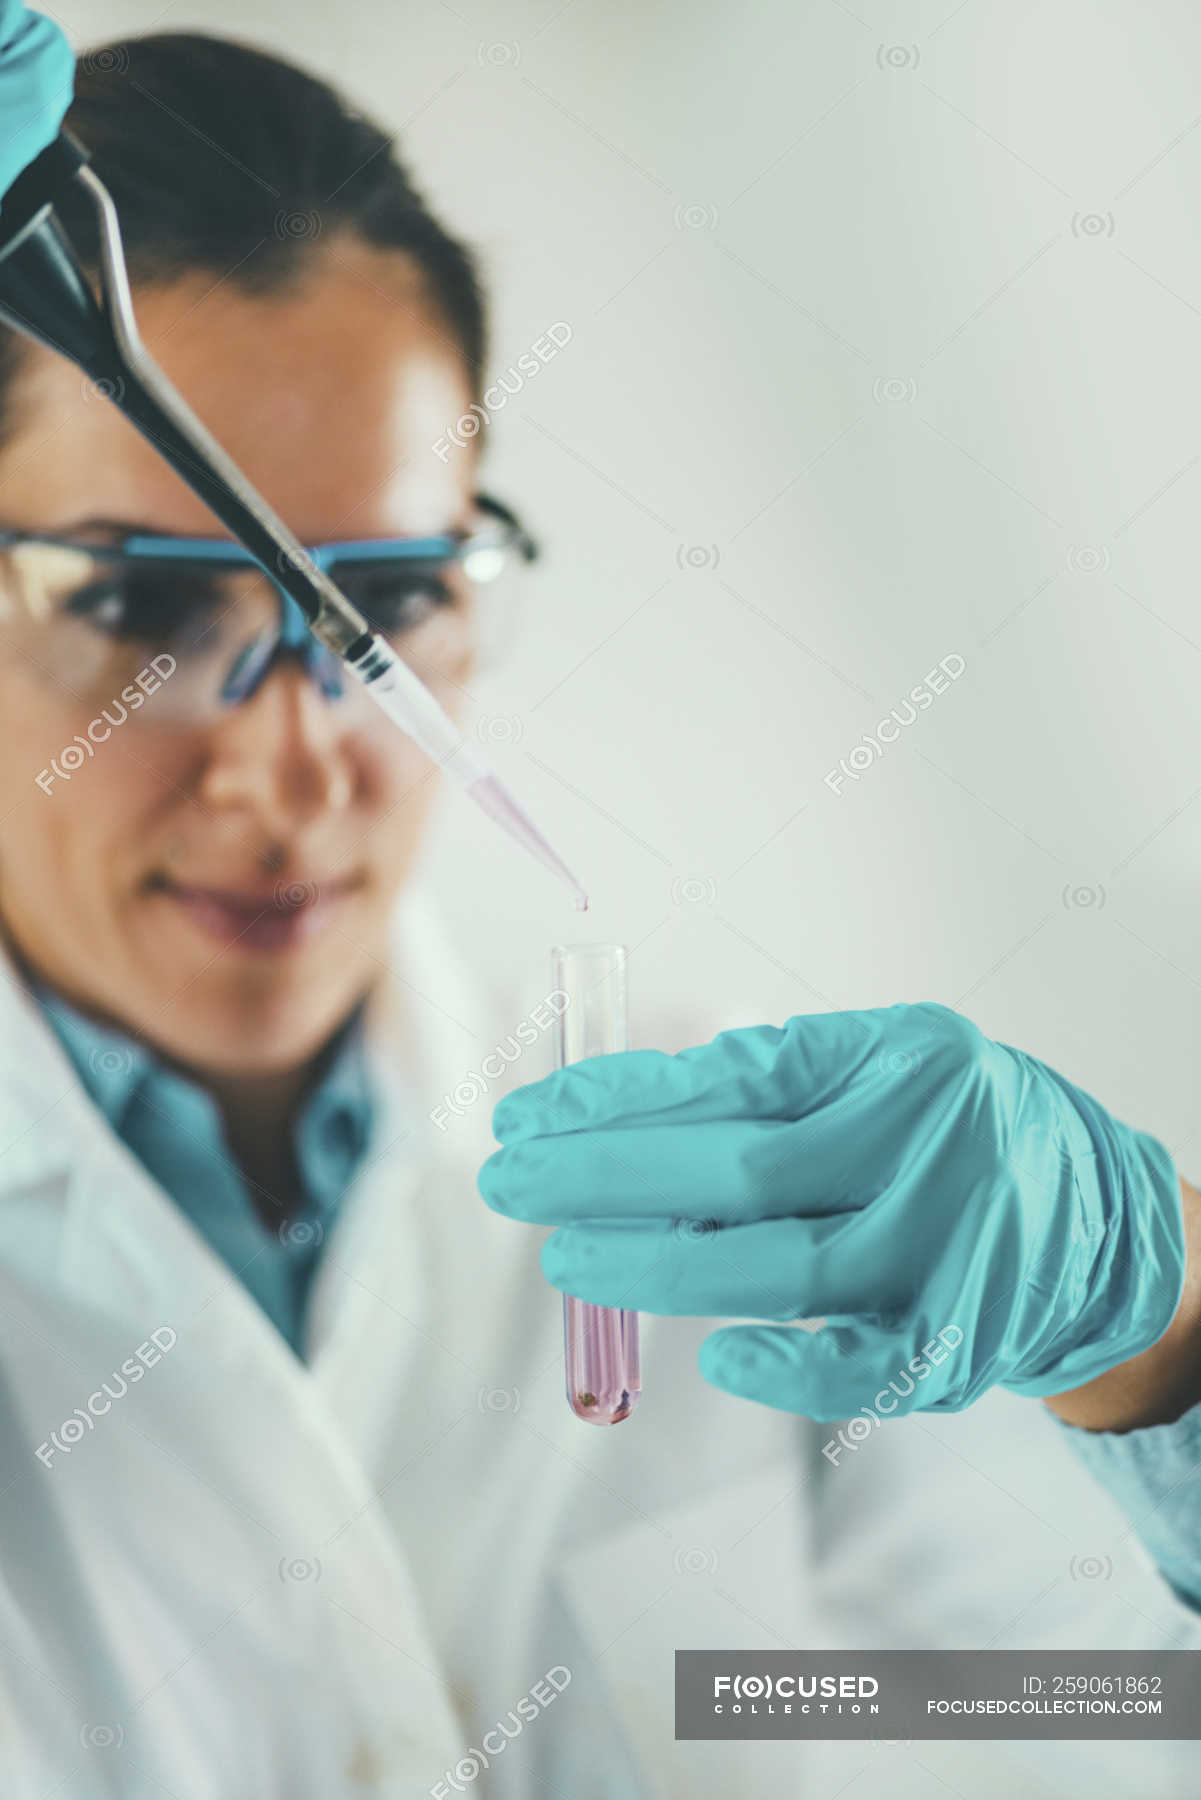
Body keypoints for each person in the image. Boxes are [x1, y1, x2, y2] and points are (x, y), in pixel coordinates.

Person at [0, 13, 1198, 1800]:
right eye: (144, 614)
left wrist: (1162, 1349)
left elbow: (1121, 1720)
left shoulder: (772, 1216)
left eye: (392, 599)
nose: (293, 770)